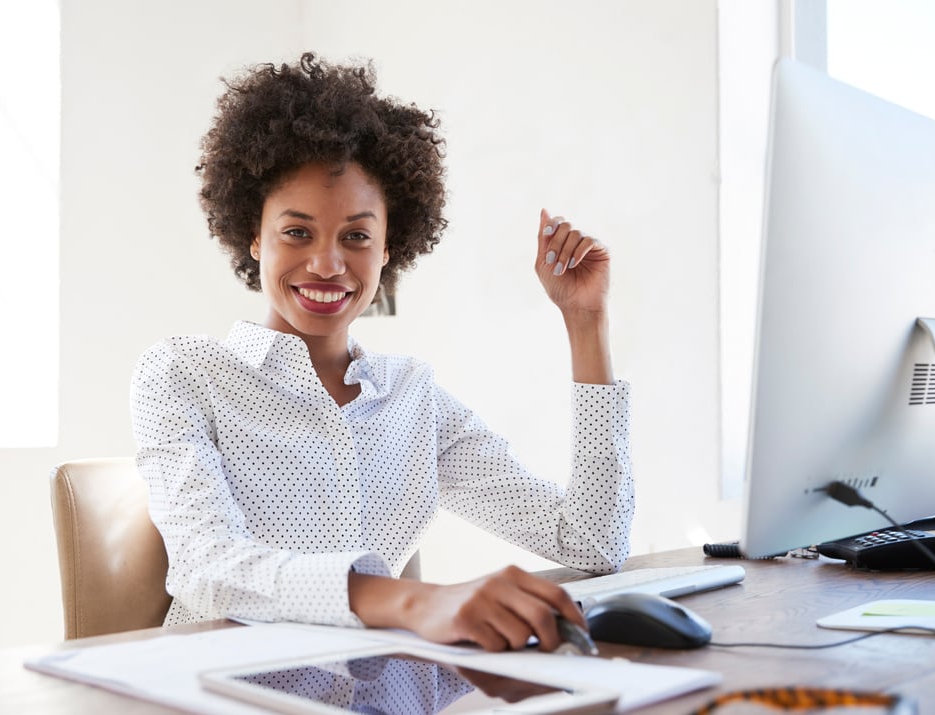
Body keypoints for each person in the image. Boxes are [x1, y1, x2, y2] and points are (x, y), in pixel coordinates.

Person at [130, 52, 634, 654]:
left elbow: (594, 543)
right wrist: (415, 602)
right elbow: (208, 570)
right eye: (297, 232)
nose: (326, 263)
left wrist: (585, 323)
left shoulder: (411, 398)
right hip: (220, 689)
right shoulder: (182, 372)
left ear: (388, 249)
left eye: (357, 236)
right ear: (252, 234)